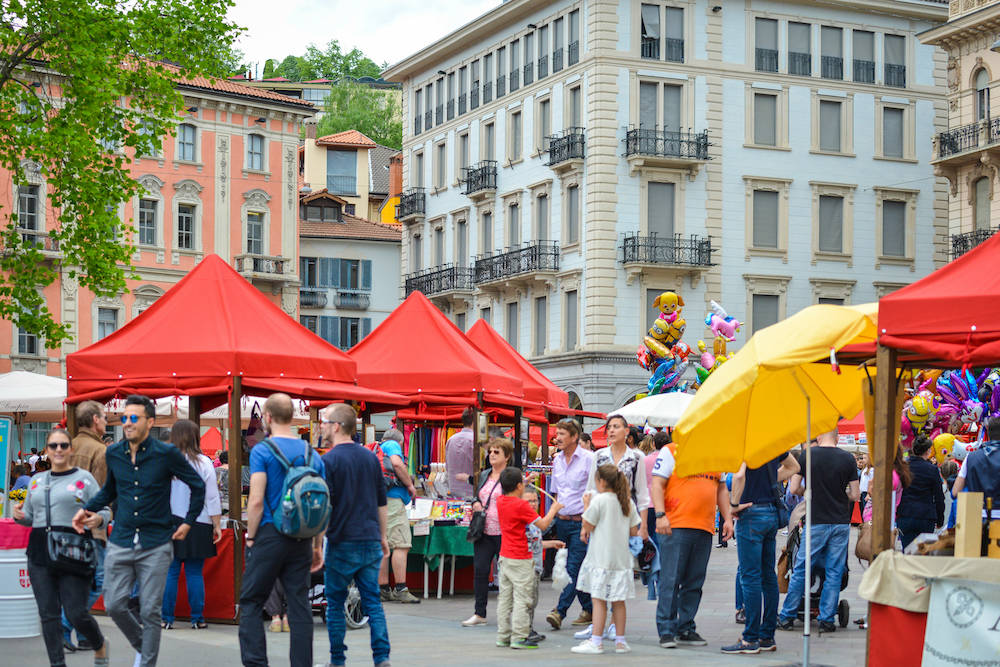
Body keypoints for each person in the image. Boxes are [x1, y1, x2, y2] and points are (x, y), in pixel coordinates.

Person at [74, 394, 205, 667]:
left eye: (134, 418)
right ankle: (144, 646)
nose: (128, 423)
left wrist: (188, 521)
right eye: (124, 418)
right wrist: (87, 509)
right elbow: (110, 490)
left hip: (156, 542)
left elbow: (197, 485)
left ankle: (145, 662)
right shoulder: (113, 453)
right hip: (121, 539)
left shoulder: (166, 454)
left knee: (150, 611)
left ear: (150, 421)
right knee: (114, 605)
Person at [238, 393, 325, 667]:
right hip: (301, 538)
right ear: (292, 416)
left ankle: (256, 662)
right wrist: (316, 546)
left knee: (251, 600)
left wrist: (251, 536)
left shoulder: (262, 451)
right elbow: (320, 504)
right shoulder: (313, 455)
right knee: (299, 605)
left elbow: (256, 501)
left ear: (267, 417)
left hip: (269, 534)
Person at [15, 428, 110, 667]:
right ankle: (57, 664)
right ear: (47, 451)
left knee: (76, 611)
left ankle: (98, 642)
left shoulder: (84, 478)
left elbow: (105, 510)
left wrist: (97, 520)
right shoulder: (37, 481)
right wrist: (20, 516)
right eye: (54, 446)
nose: (59, 450)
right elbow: (29, 517)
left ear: (71, 449)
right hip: (39, 552)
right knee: (48, 614)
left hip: (73, 550)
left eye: (63, 445)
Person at [320, 403, 391, 667]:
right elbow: (380, 502)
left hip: (341, 540)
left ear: (337, 426)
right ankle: (382, 657)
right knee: (372, 601)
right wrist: (382, 537)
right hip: (370, 538)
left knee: (336, 602)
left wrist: (318, 542)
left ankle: (337, 660)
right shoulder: (370, 458)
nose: (323, 426)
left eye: (326, 421)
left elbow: (324, 504)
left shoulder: (328, 461)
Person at [652, 432, 733, 649]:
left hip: (704, 527)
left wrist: (727, 518)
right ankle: (667, 630)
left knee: (694, 582)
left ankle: (686, 627)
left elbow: (722, 488)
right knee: (671, 579)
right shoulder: (671, 451)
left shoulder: (716, 455)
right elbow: (657, 483)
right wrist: (660, 515)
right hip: (675, 525)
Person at [777, 429, 860, 634]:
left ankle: (787, 615)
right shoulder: (848, 458)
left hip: (816, 520)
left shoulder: (807, 456)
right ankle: (826, 619)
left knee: (803, 568)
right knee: (834, 570)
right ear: (838, 438)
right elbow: (856, 494)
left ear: (820, 437)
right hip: (840, 522)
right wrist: (840, 495)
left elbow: (794, 488)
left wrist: (812, 492)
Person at [722, 453, 800, 654]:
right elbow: (793, 467)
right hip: (771, 513)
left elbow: (739, 476)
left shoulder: (746, 444)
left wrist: (733, 505)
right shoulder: (772, 442)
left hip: (750, 512)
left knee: (750, 577)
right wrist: (770, 479)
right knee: (768, 576)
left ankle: (750, 639)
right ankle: (767, 636)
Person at [568, 464, 641, 655]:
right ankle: (620, 641)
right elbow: (634, 531)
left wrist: (585, 505)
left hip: (600, 558)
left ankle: (597, 640)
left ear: (601, 481)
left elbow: (588, 525)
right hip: (621, 559)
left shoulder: (599, 501)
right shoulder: (627, 501)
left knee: (599, 600)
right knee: (619, 601)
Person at [160, 419, 223, 629]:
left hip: (171, 520)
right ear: (196, 437)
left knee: (171, 571)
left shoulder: (166, 461)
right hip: (200, 521)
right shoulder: (204, 463)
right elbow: (212, 497)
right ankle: (197, 618)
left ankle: (166, 618)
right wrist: (216, 523)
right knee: (195, 572)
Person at [495, 467, 562, 650]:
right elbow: (542, 525)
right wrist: (554, 509)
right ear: (518, 486)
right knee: (522, 599)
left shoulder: (500, 501)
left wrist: (524, 481)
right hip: (521, 558)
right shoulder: (521, 506)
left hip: (505, 557)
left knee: (505, 599)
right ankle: (519, 636)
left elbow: (510, 489)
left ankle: (503, 635)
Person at [62, 400, 110, 651]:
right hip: (90, 525)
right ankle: (64, 624)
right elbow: (100, 494)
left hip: (65, 524)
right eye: (104, 417)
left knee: (79, 580)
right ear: (94, 420)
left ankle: (81, 634)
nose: (107, 420)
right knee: (98, 579)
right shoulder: (99, 451)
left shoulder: (68, 445)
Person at [545, 419, 595, 631]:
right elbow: (557, 492)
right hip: (562, 521)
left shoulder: (589, 459)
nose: (557, 438)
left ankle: (559, 611)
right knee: (569, 567)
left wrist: (589, 521)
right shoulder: (557, 460)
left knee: (573, 567)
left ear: (575, 437)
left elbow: (594, 491)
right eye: (558, 434)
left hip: (580, 522)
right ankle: (590, 609)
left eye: (562, 434)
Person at [463, 437, 512, 626]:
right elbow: (477, 494)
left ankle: (508, 614)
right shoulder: (484, 475)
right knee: (481, 570)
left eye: (496, 452)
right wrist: (475, 502)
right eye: (490, 452)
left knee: (507, 573)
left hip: (504, 532)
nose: (492, 455)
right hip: (484, 531)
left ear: (507, 456)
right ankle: (479, 613)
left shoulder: (511, 476)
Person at [585, 415, 650, 542]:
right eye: (609, 428)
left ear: (626, 431)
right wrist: (586, 521)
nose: (611, 430)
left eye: (616, 427)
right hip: (601, 515)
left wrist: (644, 525)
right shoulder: (599, 455)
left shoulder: (636, 457)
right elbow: (591, 489)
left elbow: (642, 493)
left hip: (627, 515)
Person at [376, 428, 420, 604]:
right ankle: (401, 588)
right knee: (401, 544)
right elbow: (396, 463)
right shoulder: (392, 445)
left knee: (383, 544)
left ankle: (383, 589)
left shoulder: (374, 448)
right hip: (392, 501)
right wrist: (410, 485)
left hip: (377, 500)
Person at [522, 487, 565, 642]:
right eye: (529, 501)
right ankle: (524, 630)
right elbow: (545, 525)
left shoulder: (534, 519)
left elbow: (536, 543)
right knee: (527, 601)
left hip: (536, 567)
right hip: (527, 566)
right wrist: (553, 510)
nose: (533, 504)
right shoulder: (528, 520)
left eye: (535, 501)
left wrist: (551, 544)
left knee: (533, 600)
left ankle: (529, 629)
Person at [896, 436, 945, 549]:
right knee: (923, 552)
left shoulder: (904, 467)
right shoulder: (932, 469)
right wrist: (940, 519)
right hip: (926, 516)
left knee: (907, 551)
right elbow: (939, 497)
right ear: (928, 451)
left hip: (905, 514)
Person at [446, 407, 476, 499]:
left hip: (454, 489)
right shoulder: (476, 440)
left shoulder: (451, 440)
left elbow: (447, 465)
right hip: (471, 490)